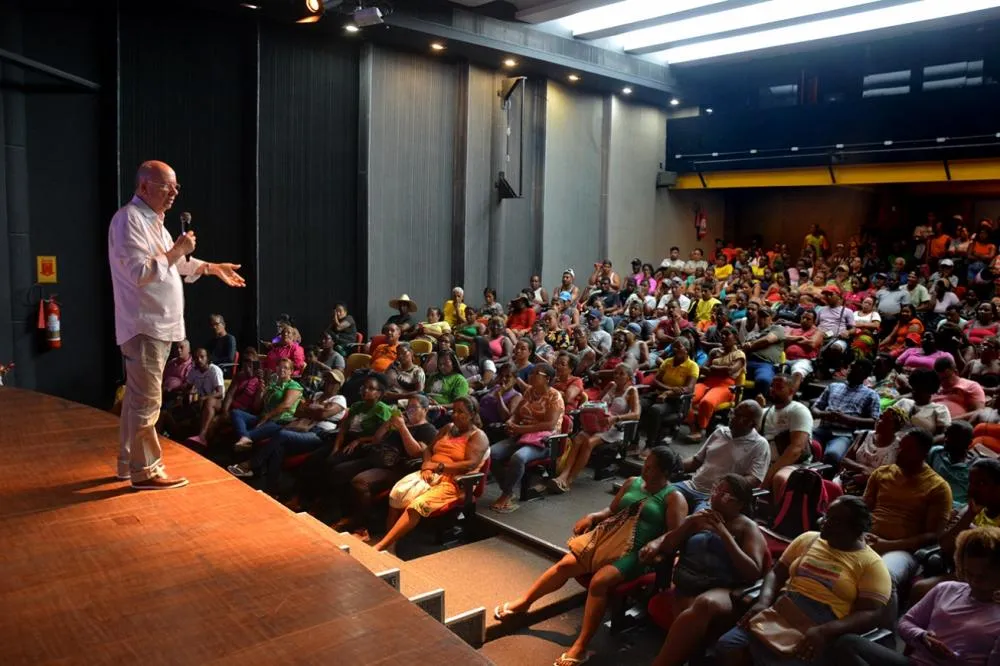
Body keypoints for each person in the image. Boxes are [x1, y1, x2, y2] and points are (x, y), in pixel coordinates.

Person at [109, 160, 245, 489]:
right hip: (145, 326)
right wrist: (177, 250)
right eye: (166, 186)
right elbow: (142, 272)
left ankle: (128, 463)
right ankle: (147, 471)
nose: (174, 192)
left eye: (176, 186)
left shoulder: (153, 221)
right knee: (146, 401)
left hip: (154, 326)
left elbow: (175, 264)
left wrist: (211, 267)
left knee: (135, 399)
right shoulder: (129, 220)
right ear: (143, 187)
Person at [494, 447, 687, 666]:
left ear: (664, 473)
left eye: (651, 467)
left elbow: (677, 535)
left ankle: (581, 645)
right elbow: (612, 511)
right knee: (565, 564)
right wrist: (593, 515)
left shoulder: (673, 498)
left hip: (637, 553)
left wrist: (658, 541)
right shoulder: (632, 481)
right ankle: (525, 603)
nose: (645, 468)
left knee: (599, 582)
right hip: (608, 539)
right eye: (646, 463)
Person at [715, 496, 892, 666]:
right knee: (728, 645)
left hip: (820, 627)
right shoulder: (809, 539)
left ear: (855, 529)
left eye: (835, 521)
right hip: (782, 610)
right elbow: (776, 573)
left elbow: (870, 613)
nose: (824, 522)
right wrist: (763, 601)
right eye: (826, 515)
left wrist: (826, 630)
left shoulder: (872, 565)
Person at [832, 526, 1000, 666]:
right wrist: (922, 636)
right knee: (847, 644)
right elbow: (906, 623)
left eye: (983, 576)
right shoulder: (946, 589)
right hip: (916, 663)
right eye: (969, 573)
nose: (974, 581)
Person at [651, 475, 769, 666]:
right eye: (716, 490)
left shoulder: (747, 527)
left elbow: (753, 571)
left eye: (724, 495)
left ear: (739, 504)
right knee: (690, 619)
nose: (715, 496)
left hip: (723, 589)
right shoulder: (699, 518)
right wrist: (688, 524)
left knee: (703, 605)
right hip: (687, 584)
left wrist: (723, 533)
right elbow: (668, 546)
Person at [375, 396, 488, 552]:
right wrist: (427, 467)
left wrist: (438, 467)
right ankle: (392, 544)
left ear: (472, 414)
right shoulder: (448, 428)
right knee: (397, 494)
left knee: (417, 506)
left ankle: (382, 545)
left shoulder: (477, 436)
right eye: (453, 410)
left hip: (454, 482)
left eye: (460, 412)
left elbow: (471, 464)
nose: (455, 415)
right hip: (430, 473)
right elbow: (428, 449)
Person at [334, 394, 440, 539]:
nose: (409, 411)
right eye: (408, 407)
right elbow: (376, 440)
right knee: (340, 470)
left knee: (360, 482)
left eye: (414, 408)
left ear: (425, 410)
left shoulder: (428, 429)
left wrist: (403, 428)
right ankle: (345, 514)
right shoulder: (401, 423)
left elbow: (416, 453)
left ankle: (363, 524)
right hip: (377, 458)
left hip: (398, 467)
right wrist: (388, 424)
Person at [226, 369, 347, 494]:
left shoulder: (340, 399)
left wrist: (311, 409)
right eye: (328, 380)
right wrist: (315, 409)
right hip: (303, 429)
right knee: (279, 447)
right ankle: (271, 489)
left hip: (319, 434)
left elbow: (323, 414)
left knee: (282, 434)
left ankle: (252, 464)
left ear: (339, 385)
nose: (329, 384)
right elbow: (298, 411)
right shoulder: (317, 395)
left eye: (333, 382)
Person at [864, 428, 953, 587]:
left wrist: (887, 544)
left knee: (883, 577)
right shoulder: (881, 473)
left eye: (908, 449)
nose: (899, 452)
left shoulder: (938, 487)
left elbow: (934, 535)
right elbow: (863, 509)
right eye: (900, 447)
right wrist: (860, 534)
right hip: (867, 539)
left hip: (903, 550)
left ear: (924, 453)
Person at [549, 364, 640, 493]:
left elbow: (636, 414)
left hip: (614, 427)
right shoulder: (611, 386)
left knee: (589, 442)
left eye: (621, 374)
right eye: (615, 373)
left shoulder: (631, 391)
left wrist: (616, 418)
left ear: (629, 377)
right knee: (578, 439)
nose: (617, 376)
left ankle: (570, 480)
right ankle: (564, 475)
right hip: (597, 424)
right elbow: (596, 401)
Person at [489, 363, 565, 513]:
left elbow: (549, 425)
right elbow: (517, 413)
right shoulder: (530, 392)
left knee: (518, 457)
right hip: (521, 435)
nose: (531, 375)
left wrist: (520, 428)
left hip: (544, 442)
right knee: (491, 453)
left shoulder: (555, 397)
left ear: (547, 379)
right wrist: (511, 423)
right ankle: (508, 489)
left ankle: (506, 494)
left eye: (537, 373)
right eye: (532, 372)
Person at [677, 400, 769, 510]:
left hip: (715, 498)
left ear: (752, 423)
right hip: (692, 485)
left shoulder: (760, 445)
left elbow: (754, 479)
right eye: (733, 412)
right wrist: (673, 463)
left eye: (738, 415)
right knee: (660, 496)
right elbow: (696, 461)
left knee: (699, 521)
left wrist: (725, 487)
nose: (731, 417)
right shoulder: (720, 432)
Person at [812, 358, 881, 468]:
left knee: (833, 455)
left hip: (844, 433)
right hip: (822, 429)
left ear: (865, 374)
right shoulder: (833, 386)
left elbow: (874, 421)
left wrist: (846, 418)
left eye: (855, 369)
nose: (850, 371)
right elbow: (815, 408)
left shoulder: (871, 395)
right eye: (850, 368)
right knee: (803, 447)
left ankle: (825, 481)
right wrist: (824, 414)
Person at [230, 358, 304, 451]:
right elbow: (257, 406)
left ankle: (244, 439)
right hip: (263, 418)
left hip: (279, 421)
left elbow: (287, 405)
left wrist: (267, 416)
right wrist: (260, 392)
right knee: (236, 413)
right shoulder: (272, 385)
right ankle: (244, 438)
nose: (282, 369)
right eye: (279, 367)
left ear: (291, 371)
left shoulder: (294, 385)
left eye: (285, 368)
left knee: (248, 433)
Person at [760, 374, 815, 497]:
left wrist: (769, 474)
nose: (773, 390)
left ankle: (778, 514)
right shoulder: (764, 412)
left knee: (780, 478)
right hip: (764, 461)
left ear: (791, 391)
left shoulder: (798, 410)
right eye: (772, 386)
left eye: (779, 387)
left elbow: (796, 450)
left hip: (794, 464)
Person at [687, 326, 746, 441]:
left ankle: (701, 429)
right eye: (722, 334)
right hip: (708, 381)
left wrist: (713, 367)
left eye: (727, 334)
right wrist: (714, 369)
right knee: (688, 397)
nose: (723, 337)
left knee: (707, 401)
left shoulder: (739, 354)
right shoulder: (715, 352)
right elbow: (702, 367)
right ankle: (692, 426)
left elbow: (731, 370)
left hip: (726, 386)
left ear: (735, 338)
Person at [837, 404, 910, 494]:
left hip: (879, 489)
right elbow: (845, 460)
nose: (879, 421)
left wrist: (870, 476)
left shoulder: (898, 447)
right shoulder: (864, 435)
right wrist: (863, 469)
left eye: (886, 420)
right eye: (880, 417)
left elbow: (895, 477)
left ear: (896, 427)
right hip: (850, 480)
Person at [640, 338, 699, 446]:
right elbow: (656, 380)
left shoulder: (692, 366)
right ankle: (632, 442)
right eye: (674, 347)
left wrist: (668, 393)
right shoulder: (668, 362)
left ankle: (649, 444)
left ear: (687, 349)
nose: (675, 349)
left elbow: (689, 388)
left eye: (679, 347)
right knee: (638, 405)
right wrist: (669, 389)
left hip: (675, 400)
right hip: (658, 394)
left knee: (655, 410)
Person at [178, 348, 225, 447]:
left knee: (209, 401)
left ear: (207, 358)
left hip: (217, 402)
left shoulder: (214, 370)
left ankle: (202, 436)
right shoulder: (193, 371)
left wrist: (204, 398)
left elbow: (220, 393)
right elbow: (187, 387)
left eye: (202, 357)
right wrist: (185, 392)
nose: (199, 360)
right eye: (196, 358)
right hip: (201, 401)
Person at [928, 421, 975, 508]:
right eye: (946, 435)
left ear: (969, 443)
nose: (946, 440)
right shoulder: (936, 452)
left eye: (954, 438)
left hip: (955, 510)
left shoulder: (974, 468)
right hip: (927, 500)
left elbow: (972, 502)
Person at [742, 306, 786, 397]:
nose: (762, 319)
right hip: (746, 362)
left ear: (771, 318)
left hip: (764, 363)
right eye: (760, 317)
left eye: (765, 317)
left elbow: (768, 340)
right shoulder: (752, 333)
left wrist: (751, 345)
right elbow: (744, 349)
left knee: (763, 380)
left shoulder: (777, 328)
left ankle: (760, 405)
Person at [893, 368, 951, 435]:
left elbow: (943, 435)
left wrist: (926, 443)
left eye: (919, 390)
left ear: (930, 391)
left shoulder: (940, 409)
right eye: (913, 388)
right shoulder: (903, 403)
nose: (914, 392)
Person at [933, 355, 987, 419]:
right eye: (940, 379)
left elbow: (980, 412)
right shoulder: (934, 388)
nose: (943, 382)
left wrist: (949, 420)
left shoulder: (971, 386)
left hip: (955, 424)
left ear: (956, 372)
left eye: (946, 378)